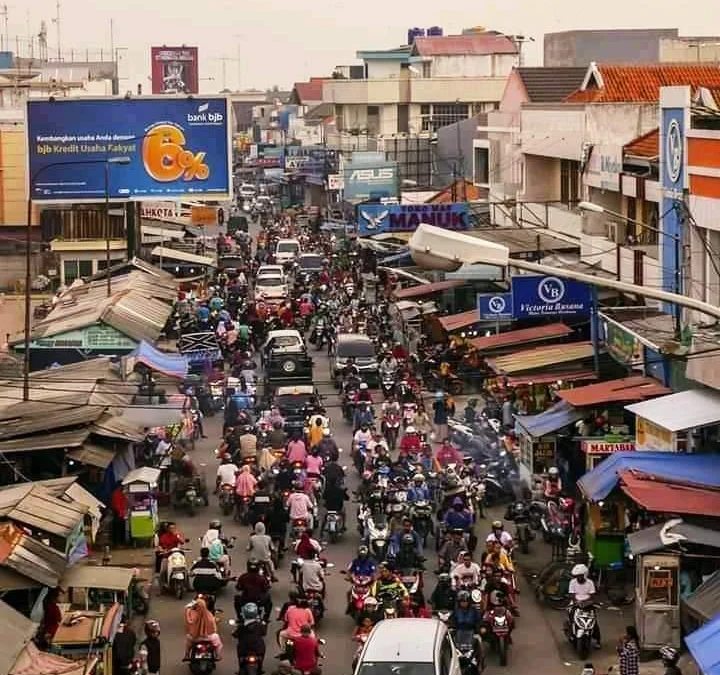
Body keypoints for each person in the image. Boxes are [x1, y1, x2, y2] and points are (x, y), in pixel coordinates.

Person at [568, 564, 600, 647]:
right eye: (578, 576)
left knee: (594, 622)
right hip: (576, 603)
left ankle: (597, 640)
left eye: (581, 575)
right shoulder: (572, 582)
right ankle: (572, 633)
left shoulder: (590, 583)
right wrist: (576, 601)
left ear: (584, 575)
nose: (579, 577)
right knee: (571, 617)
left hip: (588, 604)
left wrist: (586, 601)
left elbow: (592, 595)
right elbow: (571, 594)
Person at [234, 602, 267, 674]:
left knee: (240, 658)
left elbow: (236, 634)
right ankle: (260, 668)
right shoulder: (259, 625)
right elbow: (264, 633)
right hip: (258, 648)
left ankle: (240, 668)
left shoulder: (242, 626)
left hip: (244, 649)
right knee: (261, 657)